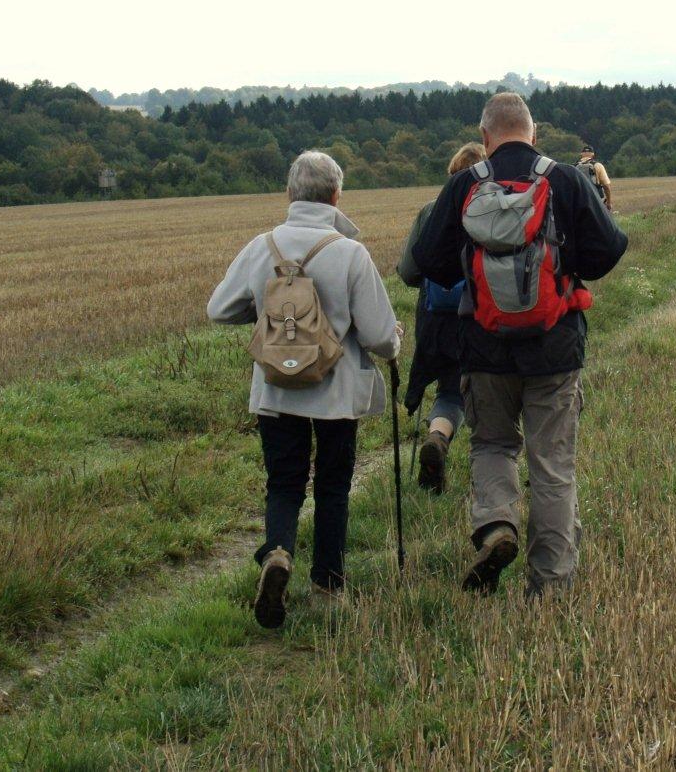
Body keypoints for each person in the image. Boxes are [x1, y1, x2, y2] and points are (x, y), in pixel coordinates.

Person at [413, 92, 628, 598]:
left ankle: (497, 526)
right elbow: (610, 247)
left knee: (491, 444)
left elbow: (429, 262)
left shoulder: (466, 183)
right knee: (551, 464)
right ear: (533, 133)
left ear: (485, 137)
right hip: (555, 347)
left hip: (484, 347)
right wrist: (566, 266)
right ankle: (549, 587)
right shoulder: (565, 179)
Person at [207, 151, 403, 628]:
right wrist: (396, 341)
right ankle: (328, 584)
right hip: (336, 395)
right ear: (336, 196)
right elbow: (378, 336)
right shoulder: (350, 252)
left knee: (284, 484)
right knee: (333, 487)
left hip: (275, 391)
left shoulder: (262, 246)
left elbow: (219, 308)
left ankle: (277, 553)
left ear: (289, 193)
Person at [396, 142, 486, 493]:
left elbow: (408, 271)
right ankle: (477, 457)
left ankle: (437, 436)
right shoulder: (491, 211)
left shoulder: (430, 211)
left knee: (448, 387)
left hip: (433, 318)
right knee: (476, 389)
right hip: (475, 317)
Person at [576, 144, 614, 210]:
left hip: (579, 201)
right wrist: (609, 202)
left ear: (581, 154)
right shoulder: (598, 165)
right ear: (593, 154)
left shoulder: (573, 167)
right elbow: (606, 186)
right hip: (595, 200)